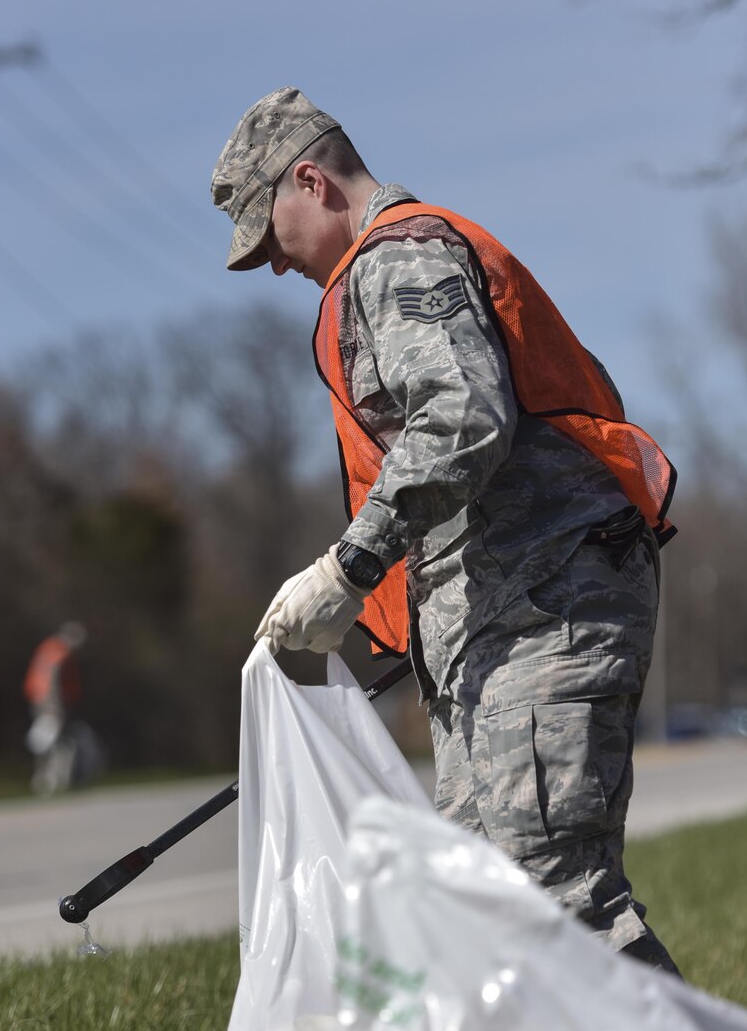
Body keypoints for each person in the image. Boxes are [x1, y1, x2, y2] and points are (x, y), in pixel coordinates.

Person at [211, 88, 681, 974]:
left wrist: (349, 570)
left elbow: (462, 418)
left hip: (546, 607)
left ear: (309, 179)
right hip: (503, 614)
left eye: (270, 238)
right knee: (490, 914)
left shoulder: (398, 261)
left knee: (554, 901)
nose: (275, 266)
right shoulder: (402, 263)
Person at [23, 621, 92, 795]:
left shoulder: (48, 648)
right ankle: (49, 780)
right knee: (53, 742)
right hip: (50, 704)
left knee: (52, 741)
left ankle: (52, 780)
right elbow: (52, 681)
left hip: (40, 700)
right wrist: (55, 706)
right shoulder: (59, 653)